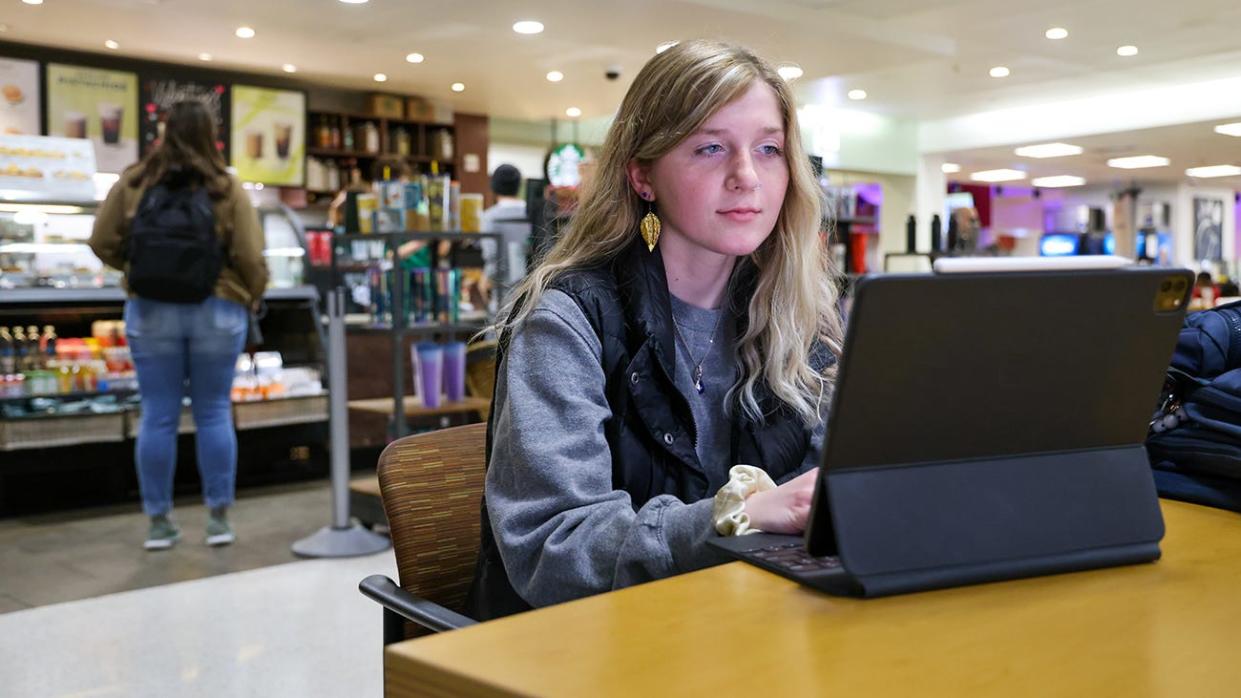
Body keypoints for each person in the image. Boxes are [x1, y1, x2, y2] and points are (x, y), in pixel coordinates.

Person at [467, 39, 845, 620]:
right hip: (589, 647)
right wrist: (737, 515)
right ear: (643, 175)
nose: (747, 176)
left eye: (769, 149)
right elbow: (553, 548)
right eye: (711, 147)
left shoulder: (800, 315)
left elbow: (828, 489)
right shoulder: (566, 321)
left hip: (741, 627)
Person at [89, 101, 268, 550]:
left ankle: (159, 524)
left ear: (164, 131)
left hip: (149, 309)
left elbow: (100, 241)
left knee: (158, 414)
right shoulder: (226, 186)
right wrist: (251, 291)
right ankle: (218, 520)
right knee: (211, 412)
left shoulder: (134, 180)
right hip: (218, 306)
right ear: (213, 134)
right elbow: (250, 255)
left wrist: (133, 268)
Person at [479, 164, 532, 307]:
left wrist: (484, 281)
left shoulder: (489, 217)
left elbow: (492, 260)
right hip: (533, 295)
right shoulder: (531, 213)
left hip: (502, 300)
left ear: (494, 187)